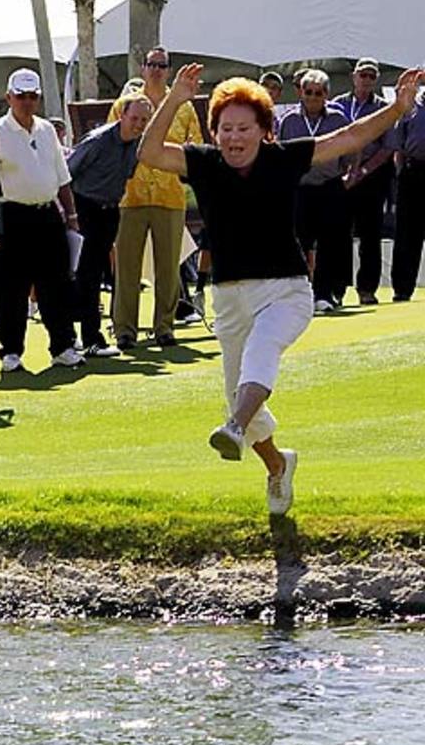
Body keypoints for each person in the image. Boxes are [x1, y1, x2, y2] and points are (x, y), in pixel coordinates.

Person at [138, 63, 421, 514]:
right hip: (229, 297)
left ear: (264, 130)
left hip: (286, 291)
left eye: (244, 128)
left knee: (259, 357)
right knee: (244, 399)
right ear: (215, 132)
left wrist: (398, 111)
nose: (234, 137)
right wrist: (173, 99)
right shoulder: (205, 163)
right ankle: (277, 465)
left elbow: (347, 139)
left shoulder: (284, 157)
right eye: (225, 129)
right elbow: (149, 153)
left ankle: (233, 424)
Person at [0, 69, 82, 371]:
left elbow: (61, 177)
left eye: (32, 96)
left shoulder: (46, 130)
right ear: (8, 97)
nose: (27, 102)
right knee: (11, 289)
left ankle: (62, 346)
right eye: (21, 96)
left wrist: (72, 216)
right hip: (13, 217)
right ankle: (11, 351)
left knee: (56, 284)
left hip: (47, 214)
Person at [107, 47, 203, 350]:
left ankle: (165, 327)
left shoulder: (184, 108)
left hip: (170, 195)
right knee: (127, 268)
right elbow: (112, 143)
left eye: (162, 65)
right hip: (130, 196)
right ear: (143, 67)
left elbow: (196, 148)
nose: (157, 70)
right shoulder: (124, 105)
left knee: (168, 266)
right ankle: (125, 330)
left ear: (169, 69)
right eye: (152, 64)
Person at [66, 92, 152, 358]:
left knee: (97, 275)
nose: (138, 124)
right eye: (134, 118)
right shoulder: (98, 140)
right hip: (85, 208)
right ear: (122, 115)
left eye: (143, 120)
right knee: (86, 276)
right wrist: (71, 216)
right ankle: (89, 339)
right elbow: (68, 173)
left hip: (110, 210)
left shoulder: (137, 146)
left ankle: (86, 337)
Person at [276, 69, 350, 312]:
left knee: (330, 243)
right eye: (308, 92)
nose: (313, 98)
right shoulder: (289, 120)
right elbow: (282, 154)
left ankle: (324, 294)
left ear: (326, 94)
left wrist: (350, 174)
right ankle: (299, 295)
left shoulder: (338, 119)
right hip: (300, 189)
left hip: (330, 187)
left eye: (318, 93)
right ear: (301, 92)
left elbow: (353, 150)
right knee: (298, 242)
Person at [334, 58, 395, 305]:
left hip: (372, 177)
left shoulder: (383, 107)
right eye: (363, 75)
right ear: (354, 76)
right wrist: (346, 171)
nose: (366, 80)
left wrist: (364, 170)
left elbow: (389, 146)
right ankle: (336, 290)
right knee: (337, 234)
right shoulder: (338, 104)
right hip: (340, 176)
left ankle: (367, 290)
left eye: (371, 76)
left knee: (370, 235)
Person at [388, 83, 425, 302]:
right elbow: (398, 147)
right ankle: (402, 288)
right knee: (407, 233)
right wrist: (402, 172)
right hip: (414, 171)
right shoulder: (413, 106)